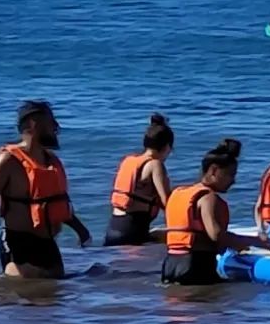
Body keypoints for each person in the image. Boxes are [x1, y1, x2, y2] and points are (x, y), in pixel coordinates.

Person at [0, 100, 90, 279]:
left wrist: (81, 230)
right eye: (51, 122)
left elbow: (55, 202)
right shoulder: (8, 161)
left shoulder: (50, 161)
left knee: (55, 295)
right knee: (24, 296)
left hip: (47, 244)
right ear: (34, 124)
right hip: (18, 243)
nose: (56, 127)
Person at [163, 141, 261, 284]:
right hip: (195, 264)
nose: (233, 181)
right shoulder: (208, 198)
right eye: (230, 174)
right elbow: (216, 235)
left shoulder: (178, 193)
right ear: (214, 171)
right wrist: (255, 242)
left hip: (171, 264)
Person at [104, 113, 174, 246]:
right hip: (132, 231)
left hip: (113, 229)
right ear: (167, 147)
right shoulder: (155, 165)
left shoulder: (129, 161)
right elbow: (167, 203)